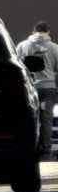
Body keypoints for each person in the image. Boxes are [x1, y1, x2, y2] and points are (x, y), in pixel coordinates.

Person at [15, 21, 58, 158]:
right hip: (47, 88)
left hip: (29, 88)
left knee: (28, 120)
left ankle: (29, 150)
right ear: (48, 32)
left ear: (33, 31)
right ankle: (46, 152)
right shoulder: (54, 48)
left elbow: (16, 66)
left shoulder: (22, 46)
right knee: (46, 120)